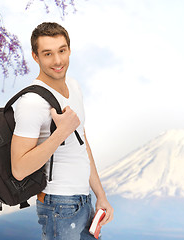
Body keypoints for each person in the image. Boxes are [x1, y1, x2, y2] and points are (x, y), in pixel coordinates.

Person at [10, 22, 114, 239]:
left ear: (69, 50)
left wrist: (100, 195)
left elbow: (81, 144)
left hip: (84, 201)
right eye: (48, 54)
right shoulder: (32, 102)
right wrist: (61, 132)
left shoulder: (74, 87)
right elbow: (19, 169)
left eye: (62, 51)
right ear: (35, 57)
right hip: (58, 205)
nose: (57, 61)